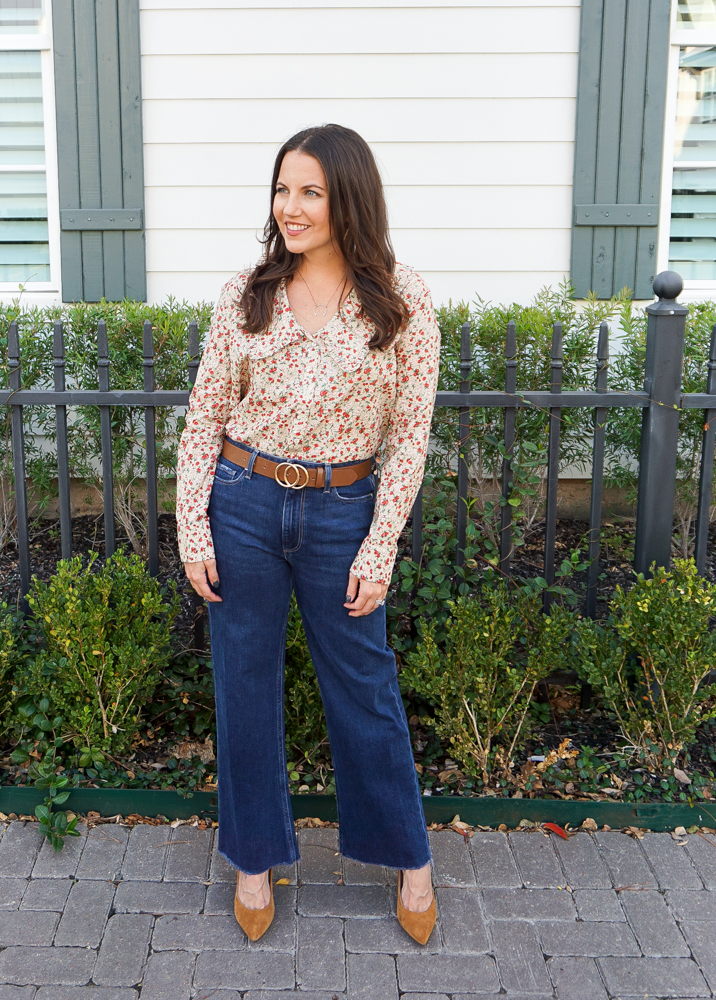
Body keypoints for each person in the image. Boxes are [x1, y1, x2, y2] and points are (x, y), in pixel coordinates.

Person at [176, 123, 440, 945]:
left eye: (310, 192)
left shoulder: (402, 300)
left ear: (348, 198)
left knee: (365, 686)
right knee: (244, 686)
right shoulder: (245, 294)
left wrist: (380, 540)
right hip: (244, 502)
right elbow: (204, 418)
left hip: (342, 514)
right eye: (283, 190)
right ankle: (254, 861)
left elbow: (411, 435)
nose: (291, 207)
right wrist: (193, 526)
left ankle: (409, 857)